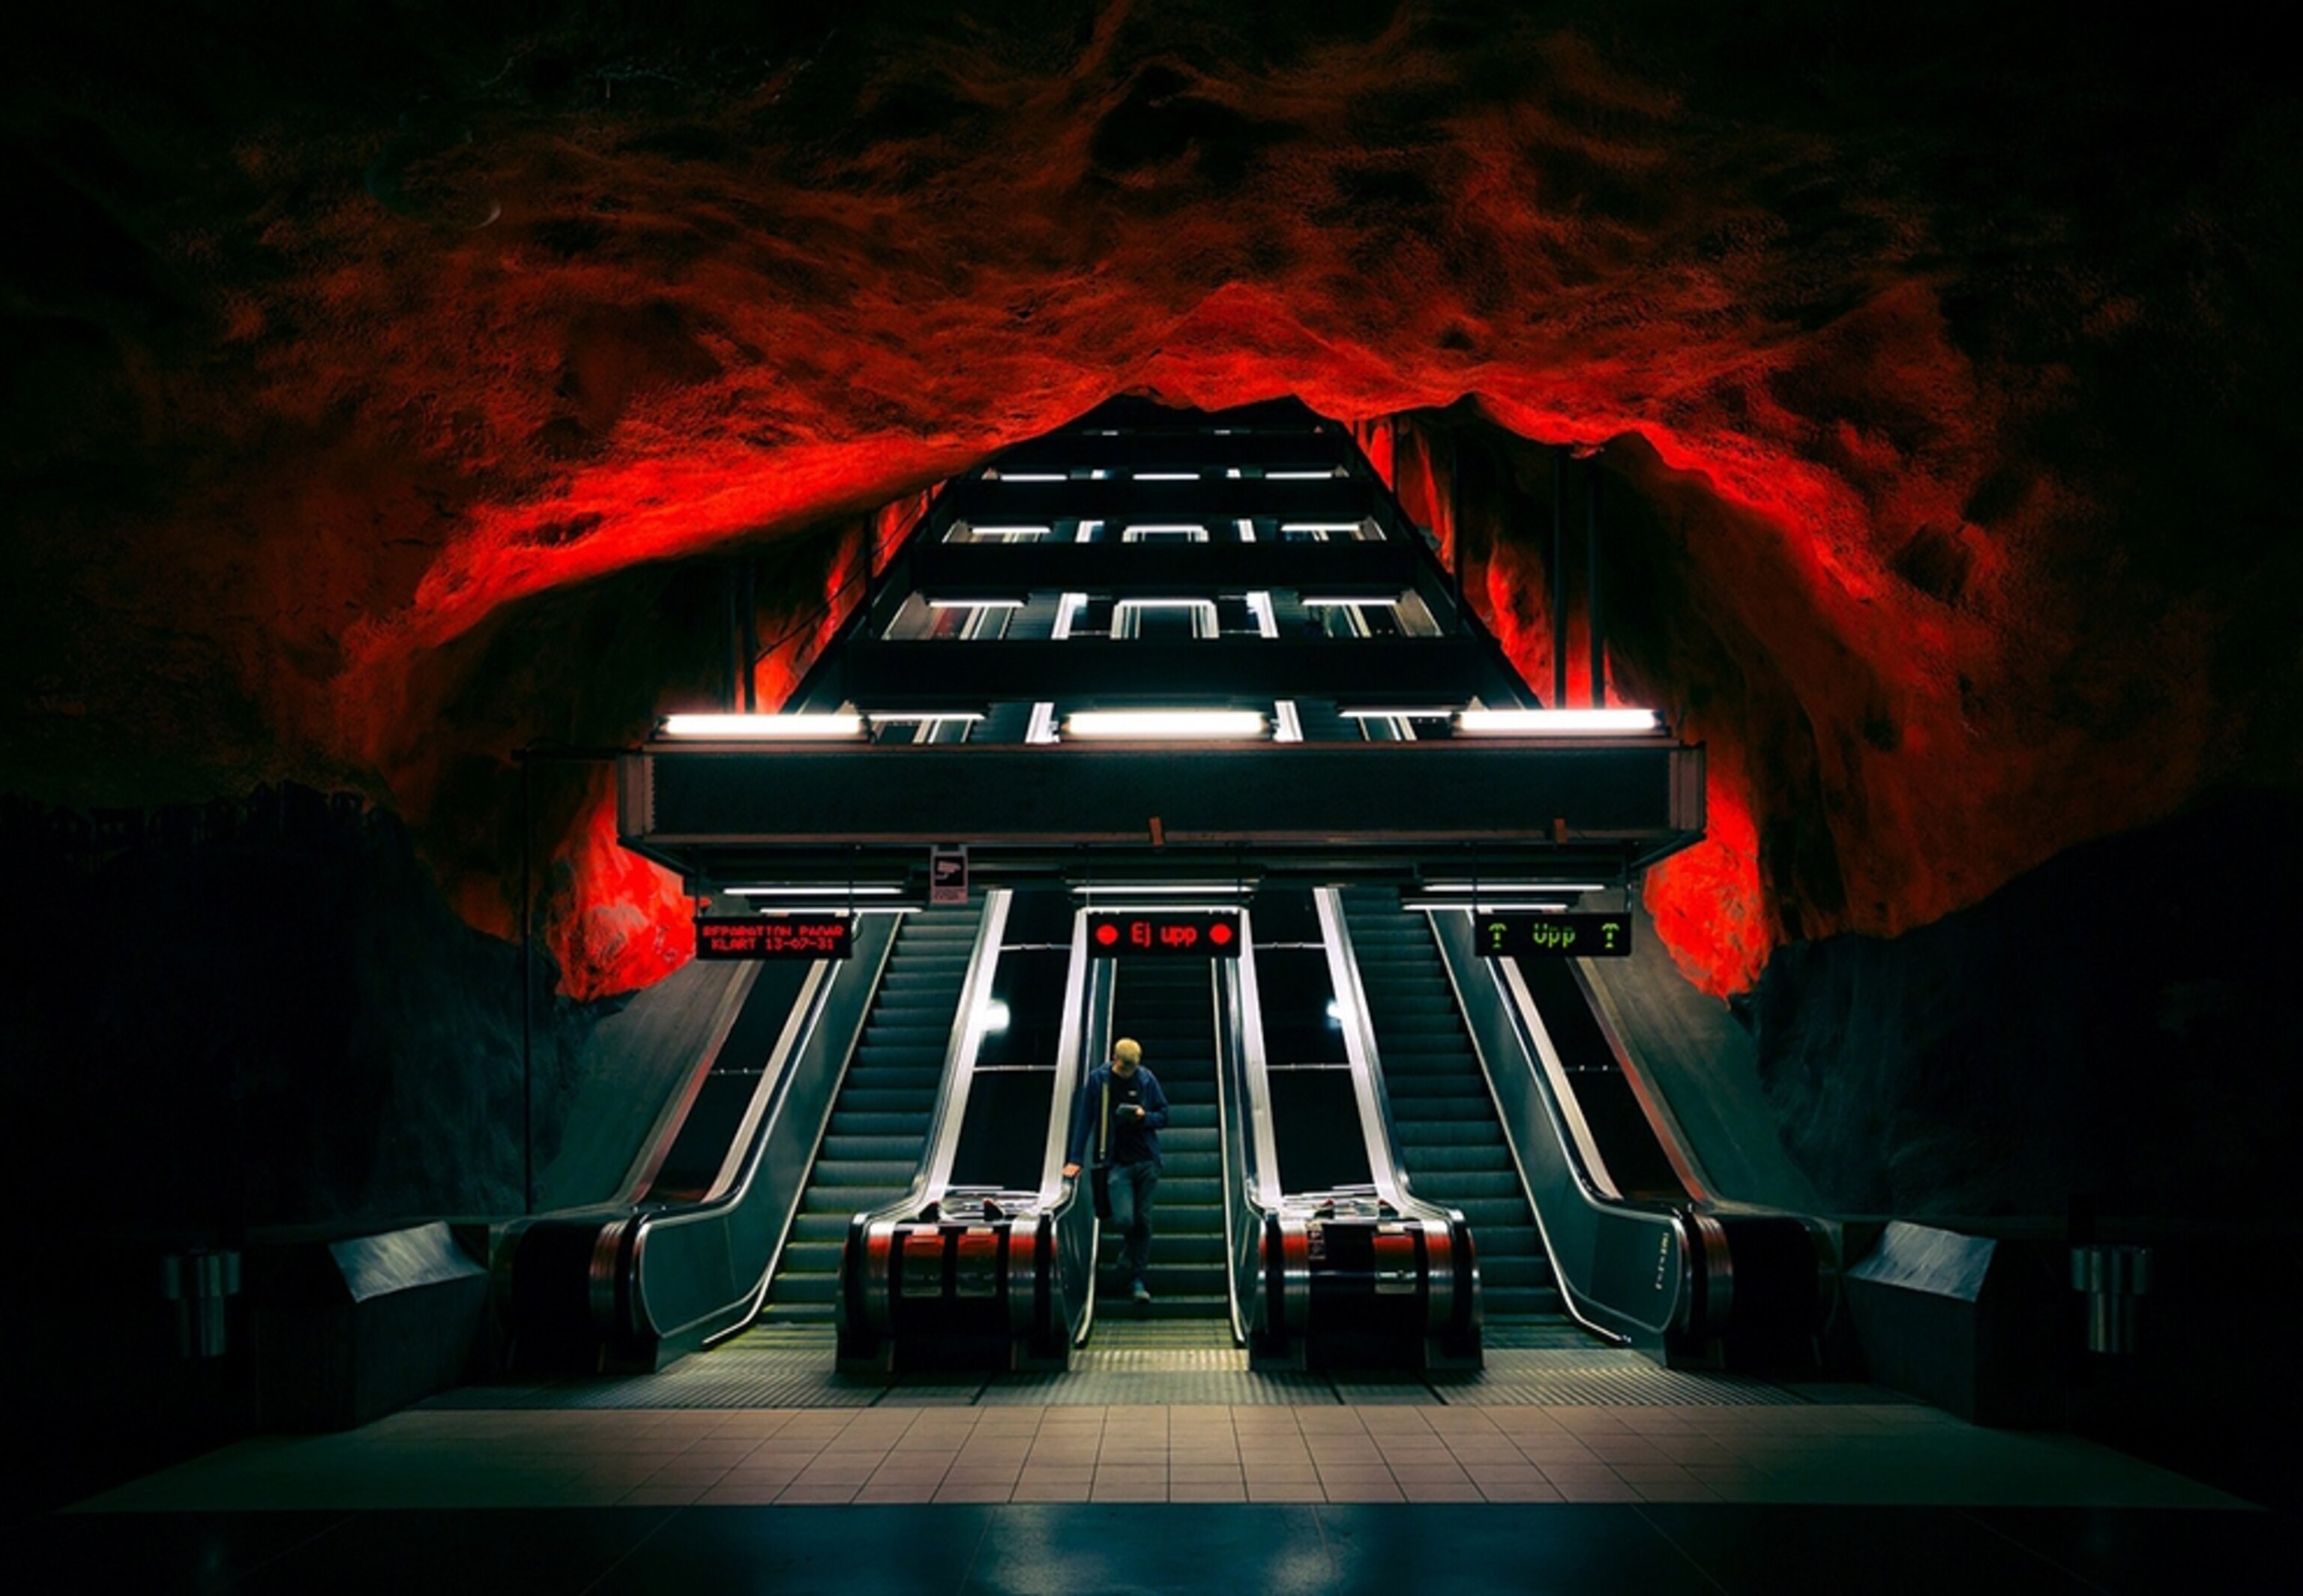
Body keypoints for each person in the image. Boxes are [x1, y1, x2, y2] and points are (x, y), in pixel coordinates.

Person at [1062, 1036, 1169, 1304]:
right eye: (1123, 1068)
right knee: (1123, 1219)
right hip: (1116, 1163)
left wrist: (1144, 1117)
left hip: (1147, 1161)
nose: (1126, 1073)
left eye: (1131, 1069)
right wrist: (1076, 1158)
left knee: (1143, 1220)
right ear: (1114, 1059)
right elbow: (1085, 1119)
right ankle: (1129, 1252)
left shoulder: (1146, 1080)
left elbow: (1164, 1115)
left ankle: (1138, 1280)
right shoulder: (1099, 1080)